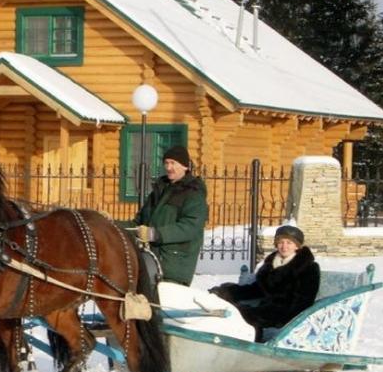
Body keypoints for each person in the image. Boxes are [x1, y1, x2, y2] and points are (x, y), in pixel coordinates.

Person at [209, 225, 320, 342]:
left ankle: (249, 344)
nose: (284, 246)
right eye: (281, 242)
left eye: (289, 243)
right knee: (232, 309)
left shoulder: (307, 268)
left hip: (288, 313)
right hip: (267, 308)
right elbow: (257, 289)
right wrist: (227, 292)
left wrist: (275, 314)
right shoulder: (271, 264)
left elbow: (304, 301)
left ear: (297, 246)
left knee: (243, 315)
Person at [127, 145, 208, 286]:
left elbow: (190, 227)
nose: (168, 167)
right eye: (166, 163)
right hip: (150, 262)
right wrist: (108, 222)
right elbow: (138, 223)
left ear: (184, 166)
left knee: (164, 306)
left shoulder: (193, 193)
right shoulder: (159, 190)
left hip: (174, 266)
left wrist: (155, 234)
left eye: (173, 163)